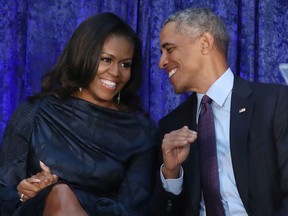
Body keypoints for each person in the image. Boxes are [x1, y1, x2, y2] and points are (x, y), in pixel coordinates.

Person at [0, 12, 157, 216]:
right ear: (83, 56)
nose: (116, 72)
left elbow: (133, 209)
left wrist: (75, 202)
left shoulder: (140, 131)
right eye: (106, 59)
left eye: (125, 64)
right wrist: (26, 192)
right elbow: (4, 192)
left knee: (62, 194)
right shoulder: (35, 113)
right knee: (60, 195)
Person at [150, 7, 288, 216]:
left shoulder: (275, 103)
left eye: (169, 49)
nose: (161, 62)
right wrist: (171, 173)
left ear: (205, 43)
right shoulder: (171, 126)